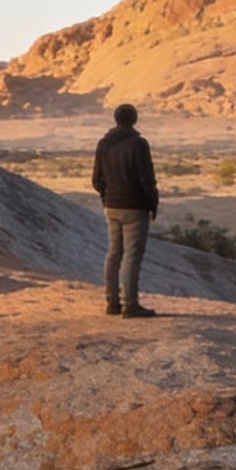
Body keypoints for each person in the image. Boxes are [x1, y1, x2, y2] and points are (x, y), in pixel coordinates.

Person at [92, 103, 159, 317]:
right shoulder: (138, 144)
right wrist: (152, 203)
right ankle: (130, 305)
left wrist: (106, 197)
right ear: (134, 119)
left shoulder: (104, 144)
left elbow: (96, 179)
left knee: (114, 253)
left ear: (115, 119)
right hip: (134, 207)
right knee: (132, 256)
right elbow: (146, 179)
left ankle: (112, 303)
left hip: (112, 206)